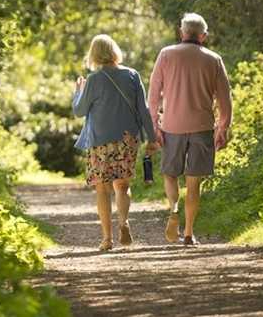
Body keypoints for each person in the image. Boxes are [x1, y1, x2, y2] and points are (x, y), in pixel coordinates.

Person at [148, 13, 233, 246]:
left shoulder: (166, 55)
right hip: (202, 127)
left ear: (181, 32)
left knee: (170, 174)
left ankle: (174, 209)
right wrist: (223, 128)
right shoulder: (213, 59)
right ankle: (188, 233)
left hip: (171, 126)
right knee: (194, 183)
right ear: (203, 36)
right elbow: (226, 100)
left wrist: (153, 125)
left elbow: (153, 95)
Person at [73, 34, 160, 251]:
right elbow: (144, 110)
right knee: (122, 185)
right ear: (115, 51)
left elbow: (79, 111)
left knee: (102, 189)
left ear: (94, 53)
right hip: (127, 139)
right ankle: (124, 222)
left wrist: (78, 92)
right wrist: (152, 138)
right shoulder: (132, 75)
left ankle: (107, 239)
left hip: (100, 141)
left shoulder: (93, 79)